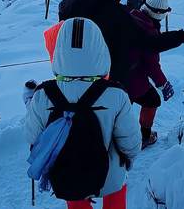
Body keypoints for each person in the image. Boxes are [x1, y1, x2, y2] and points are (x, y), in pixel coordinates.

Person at [25, 17, 141, 209]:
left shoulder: (43, 95)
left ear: (59, 50)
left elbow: (33, 138)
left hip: (67, 172)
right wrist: (127, 162)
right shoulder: (115, 94)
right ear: (100, 49)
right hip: (109, 174)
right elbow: (131, 142)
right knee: (115, 193)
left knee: (76, 199)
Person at [127, 0, 174, 149]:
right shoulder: (149, 32)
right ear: (159, 14)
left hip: (115, 74)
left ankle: (114, 134)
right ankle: (144, 137)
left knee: (122, 104)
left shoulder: (130, 16)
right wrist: (164, 84)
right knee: (153, 100)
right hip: (132, 78)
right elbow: (152, 65)